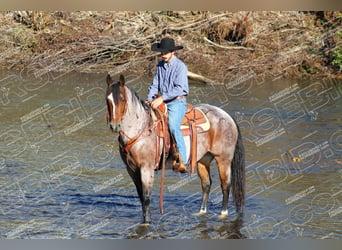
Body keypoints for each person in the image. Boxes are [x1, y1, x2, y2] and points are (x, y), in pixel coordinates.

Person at [146, 37, 189, 173]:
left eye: (165, 52)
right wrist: (150, 99)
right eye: (161, 52)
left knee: (173, 126)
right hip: (162, 101)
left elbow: (179, 88)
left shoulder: (180, 67)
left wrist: (162, 98)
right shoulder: (160, 66)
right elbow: (155, 85)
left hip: (177, 101)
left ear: (172, 52)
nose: (163, 54)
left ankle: (183, 160)